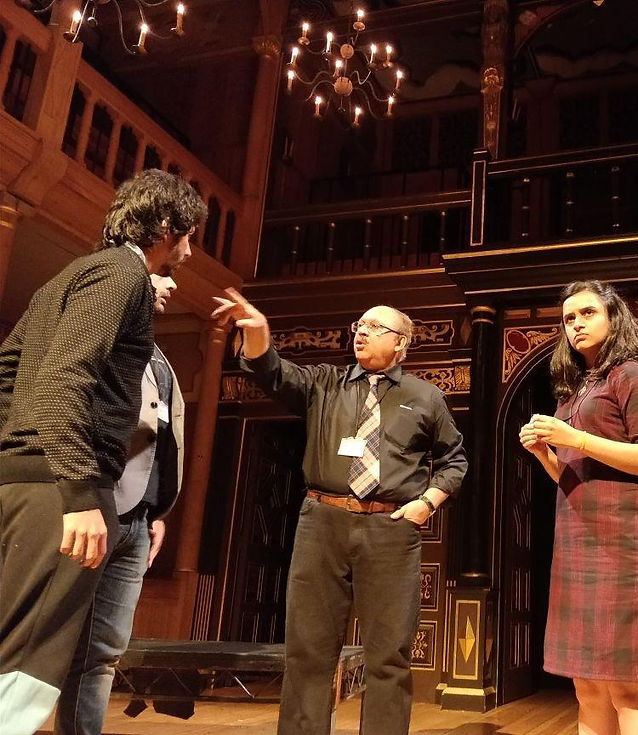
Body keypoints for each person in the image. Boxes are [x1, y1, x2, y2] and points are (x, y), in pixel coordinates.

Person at [0, 169, 203, 735]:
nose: (187, 252)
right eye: (187, 236)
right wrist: (79, 492)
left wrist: (12, 458)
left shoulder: (70, 276)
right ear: (166, 225)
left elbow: (7, 377)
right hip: (56, 492)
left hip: (23, 482)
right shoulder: (122, 275)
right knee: (30, 662)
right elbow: (67, 380)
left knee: (14, 647)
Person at [210, 289, 467, 735]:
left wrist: (426, 503)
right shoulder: (324, 383)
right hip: (322, 522)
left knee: (388, 653)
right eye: (359, 326)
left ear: (402, 342)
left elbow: (455, 460)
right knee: (308, 649)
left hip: (390, 528)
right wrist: (258, 335)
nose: (361, 332)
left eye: (374, 327)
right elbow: (272, 373)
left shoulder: (425, 397)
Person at [519, 280, 638, 735]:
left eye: (586, 314)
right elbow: (572, 475)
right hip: (577, 542)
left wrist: (575, 438)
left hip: (623, 544)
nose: (576, 324)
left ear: (613, 317)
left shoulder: (632, 375)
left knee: (628, 687)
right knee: (586, 687)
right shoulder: (574, 390)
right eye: (568, 319)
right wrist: (545, 454)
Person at [55, 272, 186, 735]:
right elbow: (62, 409)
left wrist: (157, 511)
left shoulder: (159, 358)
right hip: (89, 509)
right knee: (41, 637)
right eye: (161, 275)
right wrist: (81, 496)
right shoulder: (98, 334)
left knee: (104, 649)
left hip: (137, 520)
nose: (171, 286)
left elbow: (160, 441)